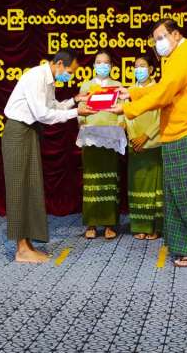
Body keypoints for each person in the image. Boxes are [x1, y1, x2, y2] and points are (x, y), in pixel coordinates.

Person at [108, 19, 187, 267]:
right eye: (155, 40)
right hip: (182, 132)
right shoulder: (176, 57)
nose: (158, 43)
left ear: (176, 34)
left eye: (162, 37)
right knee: (179, 193)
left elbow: (163, 94)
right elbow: (163, 87)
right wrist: (133, 92)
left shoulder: (184, 57)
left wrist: (128, 109)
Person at [1, 50, 94, 263]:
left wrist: (74, 100)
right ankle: (21, 249)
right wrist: (77, 112)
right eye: (70, 71)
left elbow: (52, 107)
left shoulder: (48, 79)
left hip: (29, 131)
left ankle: (27, 244)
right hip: (18, 132)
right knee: (19, 188)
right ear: (59, 63)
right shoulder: (36, 77)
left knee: (31, 186)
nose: (70, 76)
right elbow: (43, 114)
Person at [76, 50, 125, 240]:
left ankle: (109, 224)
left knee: (110, 180)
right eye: (99, 62)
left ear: (111, 66)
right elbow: (80, 110)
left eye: (106, 63)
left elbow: (123, 110)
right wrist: (82, 122)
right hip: (90, 136)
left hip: (111, 137)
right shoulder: (86, 85)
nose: (102, 66)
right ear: (94, 65)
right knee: (92, 180)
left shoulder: (117, 86)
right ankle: (91, 223)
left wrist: (121, 123)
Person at [126, 53, 163, 240]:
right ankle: (140, 226)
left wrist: (145, 137)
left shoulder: (158, 89)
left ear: (151, 69)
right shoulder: (129, 91)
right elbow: (126, 115)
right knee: (138, 185)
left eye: (142, 66)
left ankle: (155, 227)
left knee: (154, 186)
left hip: (154, 143)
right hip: (134, 145)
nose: (138, 70)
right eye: (136, 67)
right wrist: (134, 137)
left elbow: (161, 117)